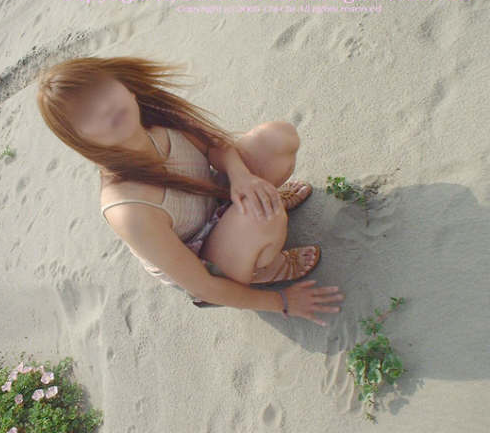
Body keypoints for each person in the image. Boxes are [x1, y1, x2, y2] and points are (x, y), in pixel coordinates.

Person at [36, 56, 344, 327]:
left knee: (277, 139)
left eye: (102, 91)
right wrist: (283, 302)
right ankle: (263, 269)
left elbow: (214, 146)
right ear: (80, 140)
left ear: (124, 86)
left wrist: (242, 178)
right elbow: (202, 287)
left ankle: (254, 219)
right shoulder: (128, 208)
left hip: (213, 198)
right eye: (87, 114)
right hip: (204, 257)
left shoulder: (156, 118)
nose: (104, 108)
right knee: (264, 219)